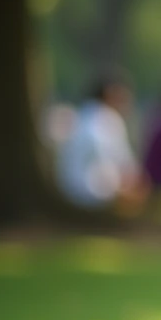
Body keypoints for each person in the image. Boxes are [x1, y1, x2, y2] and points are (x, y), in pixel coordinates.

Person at [56, 71, 148, 213]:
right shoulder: (107, 119)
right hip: (95, 191)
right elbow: (121, 165)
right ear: (110, 94)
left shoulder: (81, 116)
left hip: (70, 189)